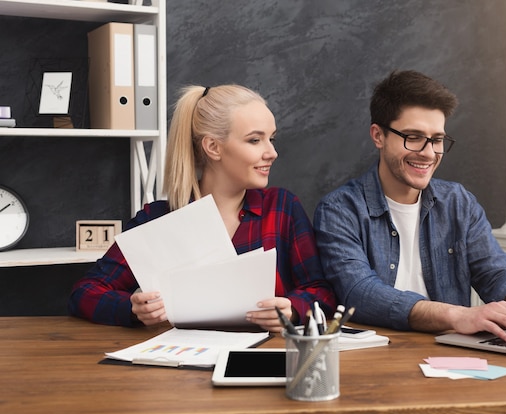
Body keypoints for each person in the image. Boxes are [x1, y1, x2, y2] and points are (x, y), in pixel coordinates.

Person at [69, 84, 336, 332]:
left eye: (271, 139)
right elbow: (85, 292)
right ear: (213, 147)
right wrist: (132, 307)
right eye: (255, 140)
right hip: (181, 366)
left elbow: (321, 293)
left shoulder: (283, 209)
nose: (271, 152)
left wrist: (292, 310)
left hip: (267, 359)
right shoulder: (158, 219)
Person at [313, 70, 506, 343]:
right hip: (375, 359)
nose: (428, 153)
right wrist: (457, 316)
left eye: (437, 139)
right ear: (378, 136)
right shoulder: (339, 210)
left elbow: (494, 271)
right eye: (413, 137)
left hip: (450, 358)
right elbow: (359, 292)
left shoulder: (459, 203)